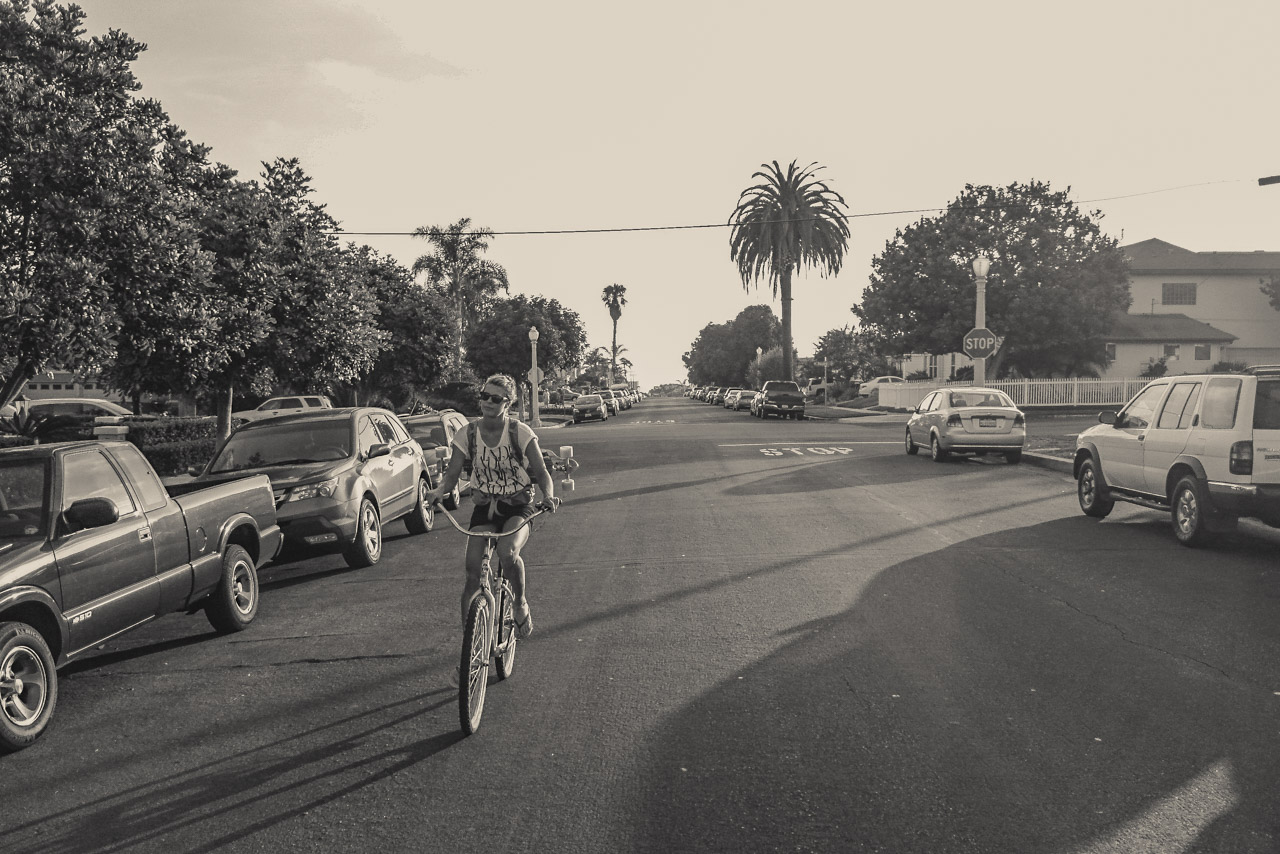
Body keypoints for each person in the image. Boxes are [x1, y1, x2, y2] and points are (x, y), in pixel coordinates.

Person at [426, 373, 560, 640]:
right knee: (472, 571)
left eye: (495, 398)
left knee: (507, 552)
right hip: (485, 506)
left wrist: (548, 495)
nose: (487, 402)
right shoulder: (468, 434)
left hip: (518, 506)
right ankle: (471, 643)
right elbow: (452, 475)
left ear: (507, 403)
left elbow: (541, 471)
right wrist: (439, 491)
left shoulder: (519, 431)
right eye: (484, 396)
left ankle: (520, 603)